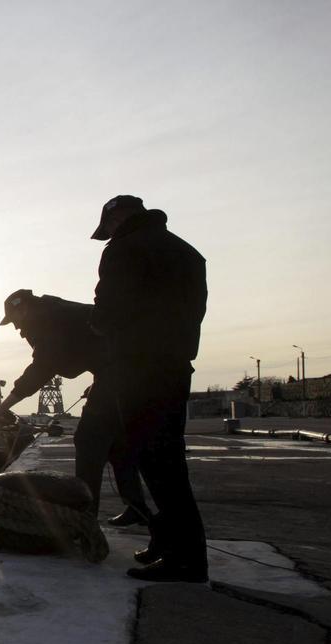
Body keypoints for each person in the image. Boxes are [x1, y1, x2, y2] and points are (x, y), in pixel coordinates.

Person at [90, 195, 208, 583]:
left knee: (154, 462)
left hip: (138, 367)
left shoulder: (123, 249)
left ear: (116, 218)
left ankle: (186, 560)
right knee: (166, 460)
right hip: (174, 365)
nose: (105, 234)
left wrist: (110, 333)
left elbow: (106, 310)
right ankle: (168, 542)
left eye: (105, 226)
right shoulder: (187, 252)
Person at [0, 289, 149, 520]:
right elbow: (95, 346)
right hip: (126, 367)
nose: (18, 330)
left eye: (15, 321)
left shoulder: (45, 319)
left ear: (22, 308)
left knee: (88, 441)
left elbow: (42, 368)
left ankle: (84, 516)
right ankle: (136, 508)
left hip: (121, 369)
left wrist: (1, 408)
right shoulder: (56, 311)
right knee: (117, 441)